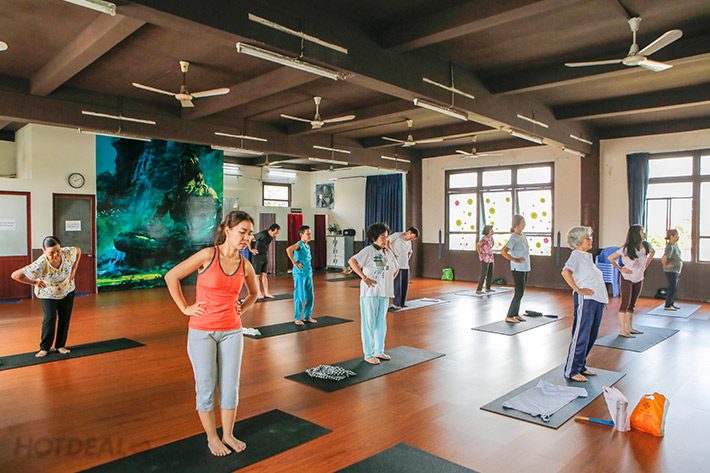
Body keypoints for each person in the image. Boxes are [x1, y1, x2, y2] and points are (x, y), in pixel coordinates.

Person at [164, 210, 258, 457]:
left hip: (232, 332)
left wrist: (242, 308)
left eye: (250, 234)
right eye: (242, 232)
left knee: (230, 387)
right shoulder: (208, 255)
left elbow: (254, 293)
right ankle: (212, 437)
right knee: (206, 386)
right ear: (228, 231)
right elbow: (171, 276)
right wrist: (185, 308)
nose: (247, 238)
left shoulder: (245, 264)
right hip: (202, 332)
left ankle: (228, 434)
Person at [11, 236, 81, 357]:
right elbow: (15, 275)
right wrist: (34, 282)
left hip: (67, 289)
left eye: (58, 251)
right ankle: (44, 348)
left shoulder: (67, 253)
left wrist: (74, 268)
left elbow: (78, 250)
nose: (56, 255)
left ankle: (60, 346)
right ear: (44, 251)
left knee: (64, 318)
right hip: (48, 294)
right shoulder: (40, 264)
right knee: (50, 319)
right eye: (51, 252)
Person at [561, 226, 608, 382]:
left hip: (597, 300)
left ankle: (580, 366)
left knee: (591, 335)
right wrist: (578, 289)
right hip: (586, 301)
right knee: (581, 335)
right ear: (579, 241)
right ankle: (572, 370)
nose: (591, 240)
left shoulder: (586, 256)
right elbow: (565, 272)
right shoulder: (576, 256)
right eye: (588, 238)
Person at [348, 222, 399, 365]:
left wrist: (388, 280)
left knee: (381, 322)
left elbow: (396, 268)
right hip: (370, 292)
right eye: (382, 237)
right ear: (374, 237)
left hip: (384, 292)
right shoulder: (368, 251)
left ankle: (379, 350)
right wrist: (364, 277)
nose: (385, 239)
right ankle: (368, 353)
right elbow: (352, 261)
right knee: (369, 323)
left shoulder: (388, 252)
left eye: (386, 236)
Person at [607, 225, 655, 338]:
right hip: (627, 278)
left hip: (639, 278)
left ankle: (629, 327)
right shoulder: (626, 249)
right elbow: (610, 258)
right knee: (625, 303)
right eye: (642, 232)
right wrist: (620, 269)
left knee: (632, 304)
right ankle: (622, 330)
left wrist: (645, 266)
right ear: (635, 234)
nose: (644, 233)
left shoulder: (646, 246)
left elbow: (653, 252)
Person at [501, 215, 530, 323]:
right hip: (517, 269)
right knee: (518, 293)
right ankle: (509, 315)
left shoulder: (523, 235)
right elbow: (503, 251)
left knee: (521, 293)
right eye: (523, 222)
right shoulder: (513, 238)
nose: (524, 224)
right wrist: (514, 259)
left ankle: (516, 314)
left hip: (525, 267)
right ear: (517, 225)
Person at [286, 225, 316, 325]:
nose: (309, 235)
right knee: (299, 295)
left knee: (310, 296)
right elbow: (289, 249)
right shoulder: (299, 244)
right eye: (307, 234)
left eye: (310, 233)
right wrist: (294, 262)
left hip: (308, 273)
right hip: (299, 274)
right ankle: (297, 318)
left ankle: (307, 317)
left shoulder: (308, 246)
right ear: (301, 235)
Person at [387, 226, 419, 309]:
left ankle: (402, 302)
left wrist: (408, 256)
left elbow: (410, 251)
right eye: (411, 237)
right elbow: (387, 241)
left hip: (405, 265)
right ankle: (396, 303)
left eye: (413, 239)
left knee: (405, 285)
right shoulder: (397, 235)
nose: (411, 239)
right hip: (396, 265)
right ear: (409, 232)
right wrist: (391, 253)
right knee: (397, 285)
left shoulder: (409, 242)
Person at [249, 223, 280, 299]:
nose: (275, 235)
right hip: (257, 256)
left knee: (264, 274)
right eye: (275, 233)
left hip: (264, 255)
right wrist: (250, 249)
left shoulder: (271, 236)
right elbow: (250, 238)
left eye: (277, 234)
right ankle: (258, 293)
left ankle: (266, 293)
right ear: (270, 230)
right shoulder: (262, 234)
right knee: (257, 275)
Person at [661, 229, 682, 311]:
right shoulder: (669, 246)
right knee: (672, 287)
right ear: (671, 236)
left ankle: (671, 303)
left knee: (674, 287)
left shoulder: (675, 245)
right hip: (671, 271)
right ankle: (668, 305)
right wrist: (666, 265)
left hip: (676, 270)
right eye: (676, 235)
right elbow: (664, 258)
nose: (677, 237)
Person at [476, 225, 495, 294]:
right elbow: (478, 245)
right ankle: (479, 289)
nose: (492, 231)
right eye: (491, 230)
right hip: (485, 258)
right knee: (483, 274)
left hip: (490, 258)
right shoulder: (484, 239)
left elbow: (492, 245)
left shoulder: (491, 238)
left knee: (490, 273)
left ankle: (488, 287)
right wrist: (480, 253)